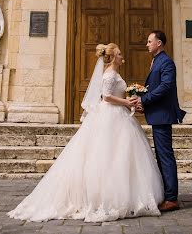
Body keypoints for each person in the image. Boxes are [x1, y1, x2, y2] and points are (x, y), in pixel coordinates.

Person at [8, 43, 164, 222]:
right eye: (119, 54)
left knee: (121, 155)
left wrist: (127, 99)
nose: (122, 57)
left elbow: (112, 95)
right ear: (113, 57)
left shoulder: (114, 74)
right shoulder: (109, 75)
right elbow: (105, 97)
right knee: (109, 156)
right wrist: (126, 103)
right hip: (111, 116)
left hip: (117, 115)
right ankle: (109, 197)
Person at [131, 30, 186, 212]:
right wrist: (142, 102)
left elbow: (165, 86)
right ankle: (166, 193)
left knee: (165, 155)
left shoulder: (166, 62)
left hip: (163, 115)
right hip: (156, 114)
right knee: (161, 156)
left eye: (149, 41)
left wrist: (144, 100)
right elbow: (155, 87)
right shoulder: (156, 61)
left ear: (159, 43)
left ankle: (171, 198)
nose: (147, 44)